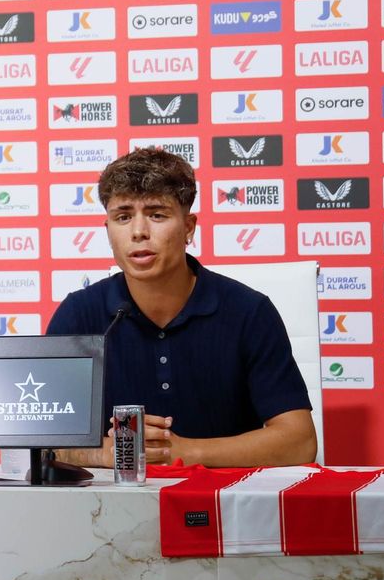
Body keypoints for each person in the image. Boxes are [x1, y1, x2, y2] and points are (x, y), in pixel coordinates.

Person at [46, 147, 316, 468]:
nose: (138, 232)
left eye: (157, 214)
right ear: (108, 231)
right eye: (123, 216)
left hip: (225, 505)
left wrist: (184, 453)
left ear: (188, 227)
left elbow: (299, 442)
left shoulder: (249, 311)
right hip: (108, 509)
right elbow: (45, 441)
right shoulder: (79, 314)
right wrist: (111, 451)